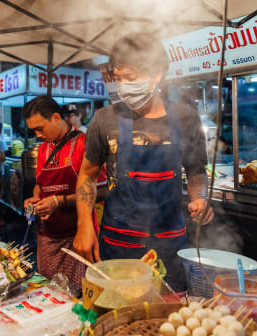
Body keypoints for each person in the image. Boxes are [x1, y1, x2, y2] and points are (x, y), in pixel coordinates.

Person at [73, 32, 214, 291]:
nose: (123, 85)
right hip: (118, 243)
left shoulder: (186, 118)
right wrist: (84, 225)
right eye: (118, 78)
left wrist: (200, 197)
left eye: (131, 77)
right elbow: (87, 176)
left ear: (156, 74)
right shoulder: (104, 119)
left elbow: (196, 170)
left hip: (170, 243)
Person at [23, 96, 107, 294]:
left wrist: (57, 201)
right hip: (47, 236)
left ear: (55, 118)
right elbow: (40, 184)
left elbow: (102, 190)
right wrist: (36, 197)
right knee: (49, 292)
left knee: (76, 295)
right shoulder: (43, 149)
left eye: (40, 128)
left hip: (76, 236)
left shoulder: (84, 144)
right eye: (33, 130)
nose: (37, 135)